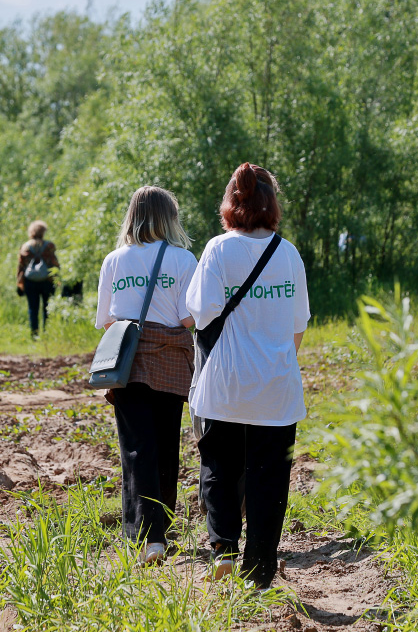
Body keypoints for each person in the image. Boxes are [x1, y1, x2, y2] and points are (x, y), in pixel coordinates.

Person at [186, 162, 311, 589]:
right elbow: (298, 325)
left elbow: (199, 314)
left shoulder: (218, 251)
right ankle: (259, 570)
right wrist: (275, 365)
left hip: (225, 384)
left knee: (219, 468)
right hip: (276, 388)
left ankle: (223, 548)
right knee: (270, 478)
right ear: (271, 203)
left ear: (231, 202)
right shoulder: (288, 253)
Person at [95, 186, 197, 565]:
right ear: (168, 217)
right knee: (168, 446)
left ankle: (144, 535)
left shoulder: (113, 260)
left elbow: (105, 320)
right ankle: (161, 531)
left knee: (136, 448)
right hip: (171, 358)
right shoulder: (184, 260)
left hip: (130, 359)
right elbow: (191, 318)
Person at [16, 220, 60, 336]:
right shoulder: (49, 246)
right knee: (47, 308)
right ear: (43, 232)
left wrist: (20, 283)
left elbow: (21, 267)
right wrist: (57, 279)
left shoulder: (25, 247)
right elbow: (55, 264)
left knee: (33, 308)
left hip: (30, 281)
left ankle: (34, 334)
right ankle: (47, 332)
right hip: (47, 281)